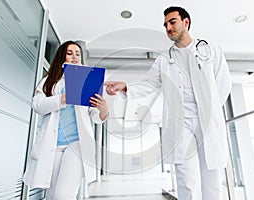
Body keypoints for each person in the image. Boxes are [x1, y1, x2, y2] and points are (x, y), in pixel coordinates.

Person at [104, 6, 232, 200]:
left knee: (212, 178)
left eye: (172, 22)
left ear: (186, 22)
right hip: (182, 124)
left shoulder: (211, 49)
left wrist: (211, 109)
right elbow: (149, 85)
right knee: (186, 179)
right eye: (165, 25)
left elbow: (223, 83)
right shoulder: (164, 60)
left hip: (208, 122)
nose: (168, 28)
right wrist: (124, 87)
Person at [23, 41, 108, 200]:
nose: (75, 56)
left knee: (63, 196)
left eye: (77, 53)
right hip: (53, 145)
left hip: (76, 144)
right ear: (62, 56)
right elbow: (37, 105)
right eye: (70, 53)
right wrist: (62, 98)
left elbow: (94, 115)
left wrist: (104, 111)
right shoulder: (49, 81)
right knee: (51, 194)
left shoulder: (87, 81)